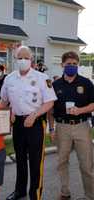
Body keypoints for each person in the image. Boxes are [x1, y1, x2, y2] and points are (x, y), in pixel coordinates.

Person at [0, 46, 57, 200]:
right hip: (18, 124)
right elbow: (3, 101)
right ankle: (20, 191)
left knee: (36, 161)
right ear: (15, 59)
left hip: (36, 123)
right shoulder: (9, 78)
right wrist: (0, 116)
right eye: (20, 57)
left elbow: (50, 102)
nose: (23, 60)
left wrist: (35, 115)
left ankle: (35, 194)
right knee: (20, 159)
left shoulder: (42, 78)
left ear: (31, 59)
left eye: (26, 57)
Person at [48, 51, 94, 200]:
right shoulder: (55, 85)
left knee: (86, 164)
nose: (72, 67)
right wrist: (51, 128)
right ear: (62, 65)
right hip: (62, 127)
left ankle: (90, 195)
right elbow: (50, 109)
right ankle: (65, 192)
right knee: (62, 162)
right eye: (69, 64)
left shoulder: (86, 83)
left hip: (82, 126)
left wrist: (80, 110)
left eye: (74, 64)